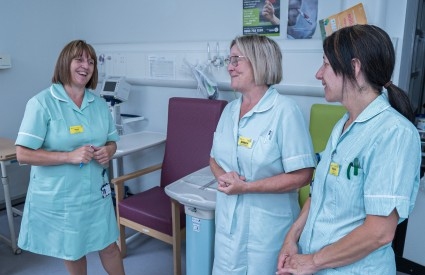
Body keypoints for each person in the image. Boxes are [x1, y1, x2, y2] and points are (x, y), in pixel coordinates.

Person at [276, 24, 421, 275]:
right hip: (318, 263)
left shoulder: (394, 133)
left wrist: (313, 261)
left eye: (325, 65)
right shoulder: (343, 124)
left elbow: (379, 232)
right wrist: (293, 236)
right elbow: (319, 193)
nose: (318, 74)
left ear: (354, 68)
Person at [15, 40, 125, 275]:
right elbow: (22, 154)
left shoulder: (99, 105)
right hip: (64, 199)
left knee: (110, 248)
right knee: (74, 253)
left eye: (91, 61)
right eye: (80, 59)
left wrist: (109, 151)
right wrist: (68, 156)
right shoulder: (41, 103)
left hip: (96, 194)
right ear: (66, 63)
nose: (86, 65)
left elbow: (112, 141)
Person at [210, 34, 316, 275]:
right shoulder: (229, 110)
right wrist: (224, 177)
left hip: (266, 230)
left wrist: (246, 187)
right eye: (229, 59)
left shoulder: (285, 112)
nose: (229, 66)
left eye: (236, 60)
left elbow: (303, 175)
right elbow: (214, 159)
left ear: (259, 62)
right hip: (227, 225)